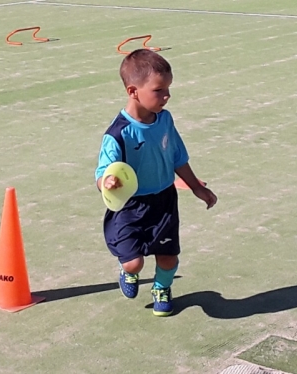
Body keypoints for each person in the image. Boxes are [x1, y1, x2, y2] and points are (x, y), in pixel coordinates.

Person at [95, 49, 217, 316]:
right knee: (133, 264)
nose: (167, 96)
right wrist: (109, 181)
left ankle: (162, 287)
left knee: (168, 256)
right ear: (133, 91)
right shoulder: (118, 133)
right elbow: (102, 173)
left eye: (168, 89)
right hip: (130, 205)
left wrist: (196, 186)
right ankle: (127, 272)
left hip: (164, 200)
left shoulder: (165, 120)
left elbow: (177, 156)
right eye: (159, 90)